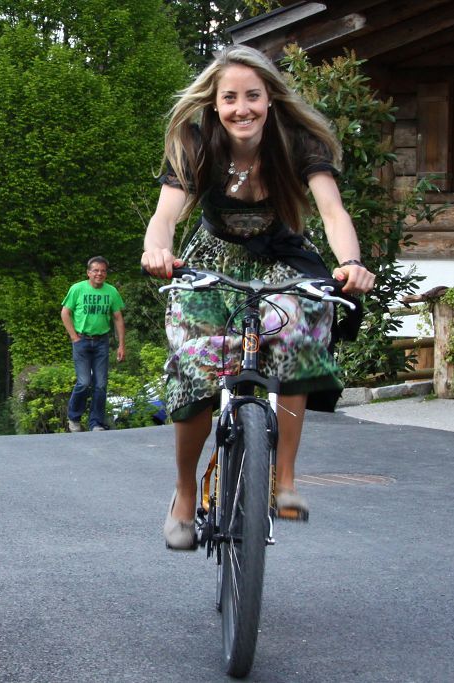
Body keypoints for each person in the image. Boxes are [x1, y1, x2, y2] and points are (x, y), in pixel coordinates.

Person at [141, 45, 375, 550]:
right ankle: (185, 492)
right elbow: (165, 215)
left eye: (252, 96)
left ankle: (283, 479)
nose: (241, 108)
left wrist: (351, 262)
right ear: (215, 102)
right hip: (211, 260)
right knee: (194, 366)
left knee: (297, 334)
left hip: (281, 258)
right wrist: (156, 249)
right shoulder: (196, 141)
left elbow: (332, 211)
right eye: (230, 98)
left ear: (270, 98)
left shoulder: (297, 141)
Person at [60, 256, 126, 432]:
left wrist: (121, 345)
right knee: (84, 382)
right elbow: (65, 313)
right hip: (81, 340)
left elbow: (118, 318)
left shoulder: (111, 291)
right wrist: (74, 336)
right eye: (95, 270)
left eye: (103, 271)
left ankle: (95, 422)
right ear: (88, 272)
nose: (99, 274)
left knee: (101, 384)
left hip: (101, 341)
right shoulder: (77, 289)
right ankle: (74, 418)